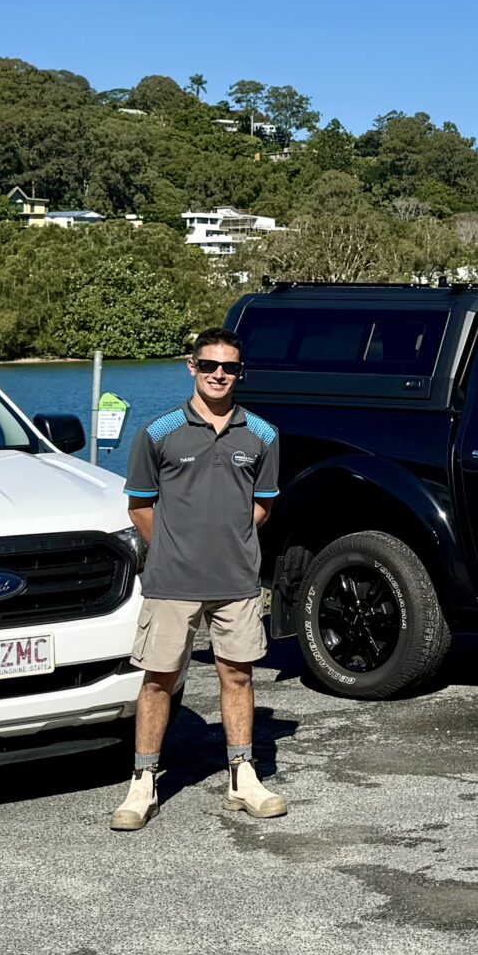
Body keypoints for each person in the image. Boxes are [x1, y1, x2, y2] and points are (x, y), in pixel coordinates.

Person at [111, 327, 289, 831]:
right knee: (159, 680)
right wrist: (174, 549)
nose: (218, 375)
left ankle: (242, 777)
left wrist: (229, 542)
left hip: (236, 581)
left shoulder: (263, 434)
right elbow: (140, 505)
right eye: (209, 365)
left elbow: (262, 505)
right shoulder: (158, 431)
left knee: (238, 675)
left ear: (240, 373)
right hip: (172, 582)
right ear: (192, 367)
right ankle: (143, 782)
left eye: (229, 368)